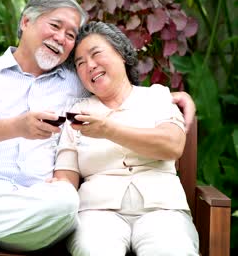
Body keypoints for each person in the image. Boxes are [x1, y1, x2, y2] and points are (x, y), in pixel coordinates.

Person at [0, 0, 197, 255]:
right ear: (25, 22)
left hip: (35, 214)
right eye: (55, 26)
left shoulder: (74, 86)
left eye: (70, 34)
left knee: (63, 201)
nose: (62, 39)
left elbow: (115, 86)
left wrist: (172, 96)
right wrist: (16, 127)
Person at [51, 21, 199, 256]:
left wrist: (108, 130)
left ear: (121, 54)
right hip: (96, 214)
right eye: (80, 63)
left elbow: (171, 145)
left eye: (96, 53)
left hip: (163, 211)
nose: (89, 65)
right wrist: (57, 188)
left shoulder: (157, 97)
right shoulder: (76, 112)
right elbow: (66, 176)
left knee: (171, 249)